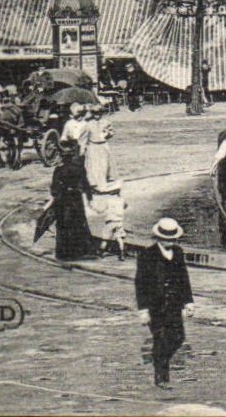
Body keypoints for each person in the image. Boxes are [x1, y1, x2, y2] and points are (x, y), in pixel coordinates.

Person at [135, 217, 195, 390]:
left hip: (174, 304)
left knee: (178, 337)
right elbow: (141, 284)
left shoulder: (178, 252)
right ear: (159, 238)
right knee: (160, 338)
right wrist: (143, 310)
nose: (171, 242)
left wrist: (188, 302)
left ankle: (159, 360)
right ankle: (161, 377)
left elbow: (184, 278)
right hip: (156, 306)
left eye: (173, 239)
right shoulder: (147, 255)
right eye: (167, 239)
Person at [50, 139, 100, 261]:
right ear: (72, 157)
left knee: (63, 224)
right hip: (76, 199)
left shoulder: (59, 170)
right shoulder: (79, 168)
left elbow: (54, 188)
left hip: (64, 199)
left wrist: (56, 196)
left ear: (62, 157)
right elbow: (85, 184)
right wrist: (89, 198)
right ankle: (79, 252)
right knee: (78, 223)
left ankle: (64, 253)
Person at [85, 121, 127, 259]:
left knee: (105, 237)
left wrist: (93, 206)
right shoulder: (120, 200)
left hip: (110, 222)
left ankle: (102, 251)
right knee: (119, 237)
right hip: (119, 222)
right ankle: (122, 252)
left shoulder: (109, 200)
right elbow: (125, 205)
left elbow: (102, 208)